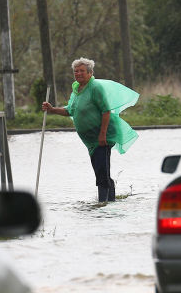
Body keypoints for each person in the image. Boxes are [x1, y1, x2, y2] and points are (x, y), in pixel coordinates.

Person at [42, 58, 139, 202]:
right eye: (76, 71)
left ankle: (103, 205)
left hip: (102, 136)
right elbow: (70, 110)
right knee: (100, 170)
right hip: (90, 141)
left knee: (101, 171)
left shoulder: (95, 88)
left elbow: (106, 111)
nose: (79, 73)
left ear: (90, 72)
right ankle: (110, 201)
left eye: (82, 71)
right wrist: (52, 109)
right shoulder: (77, 90)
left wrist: (102, 134)